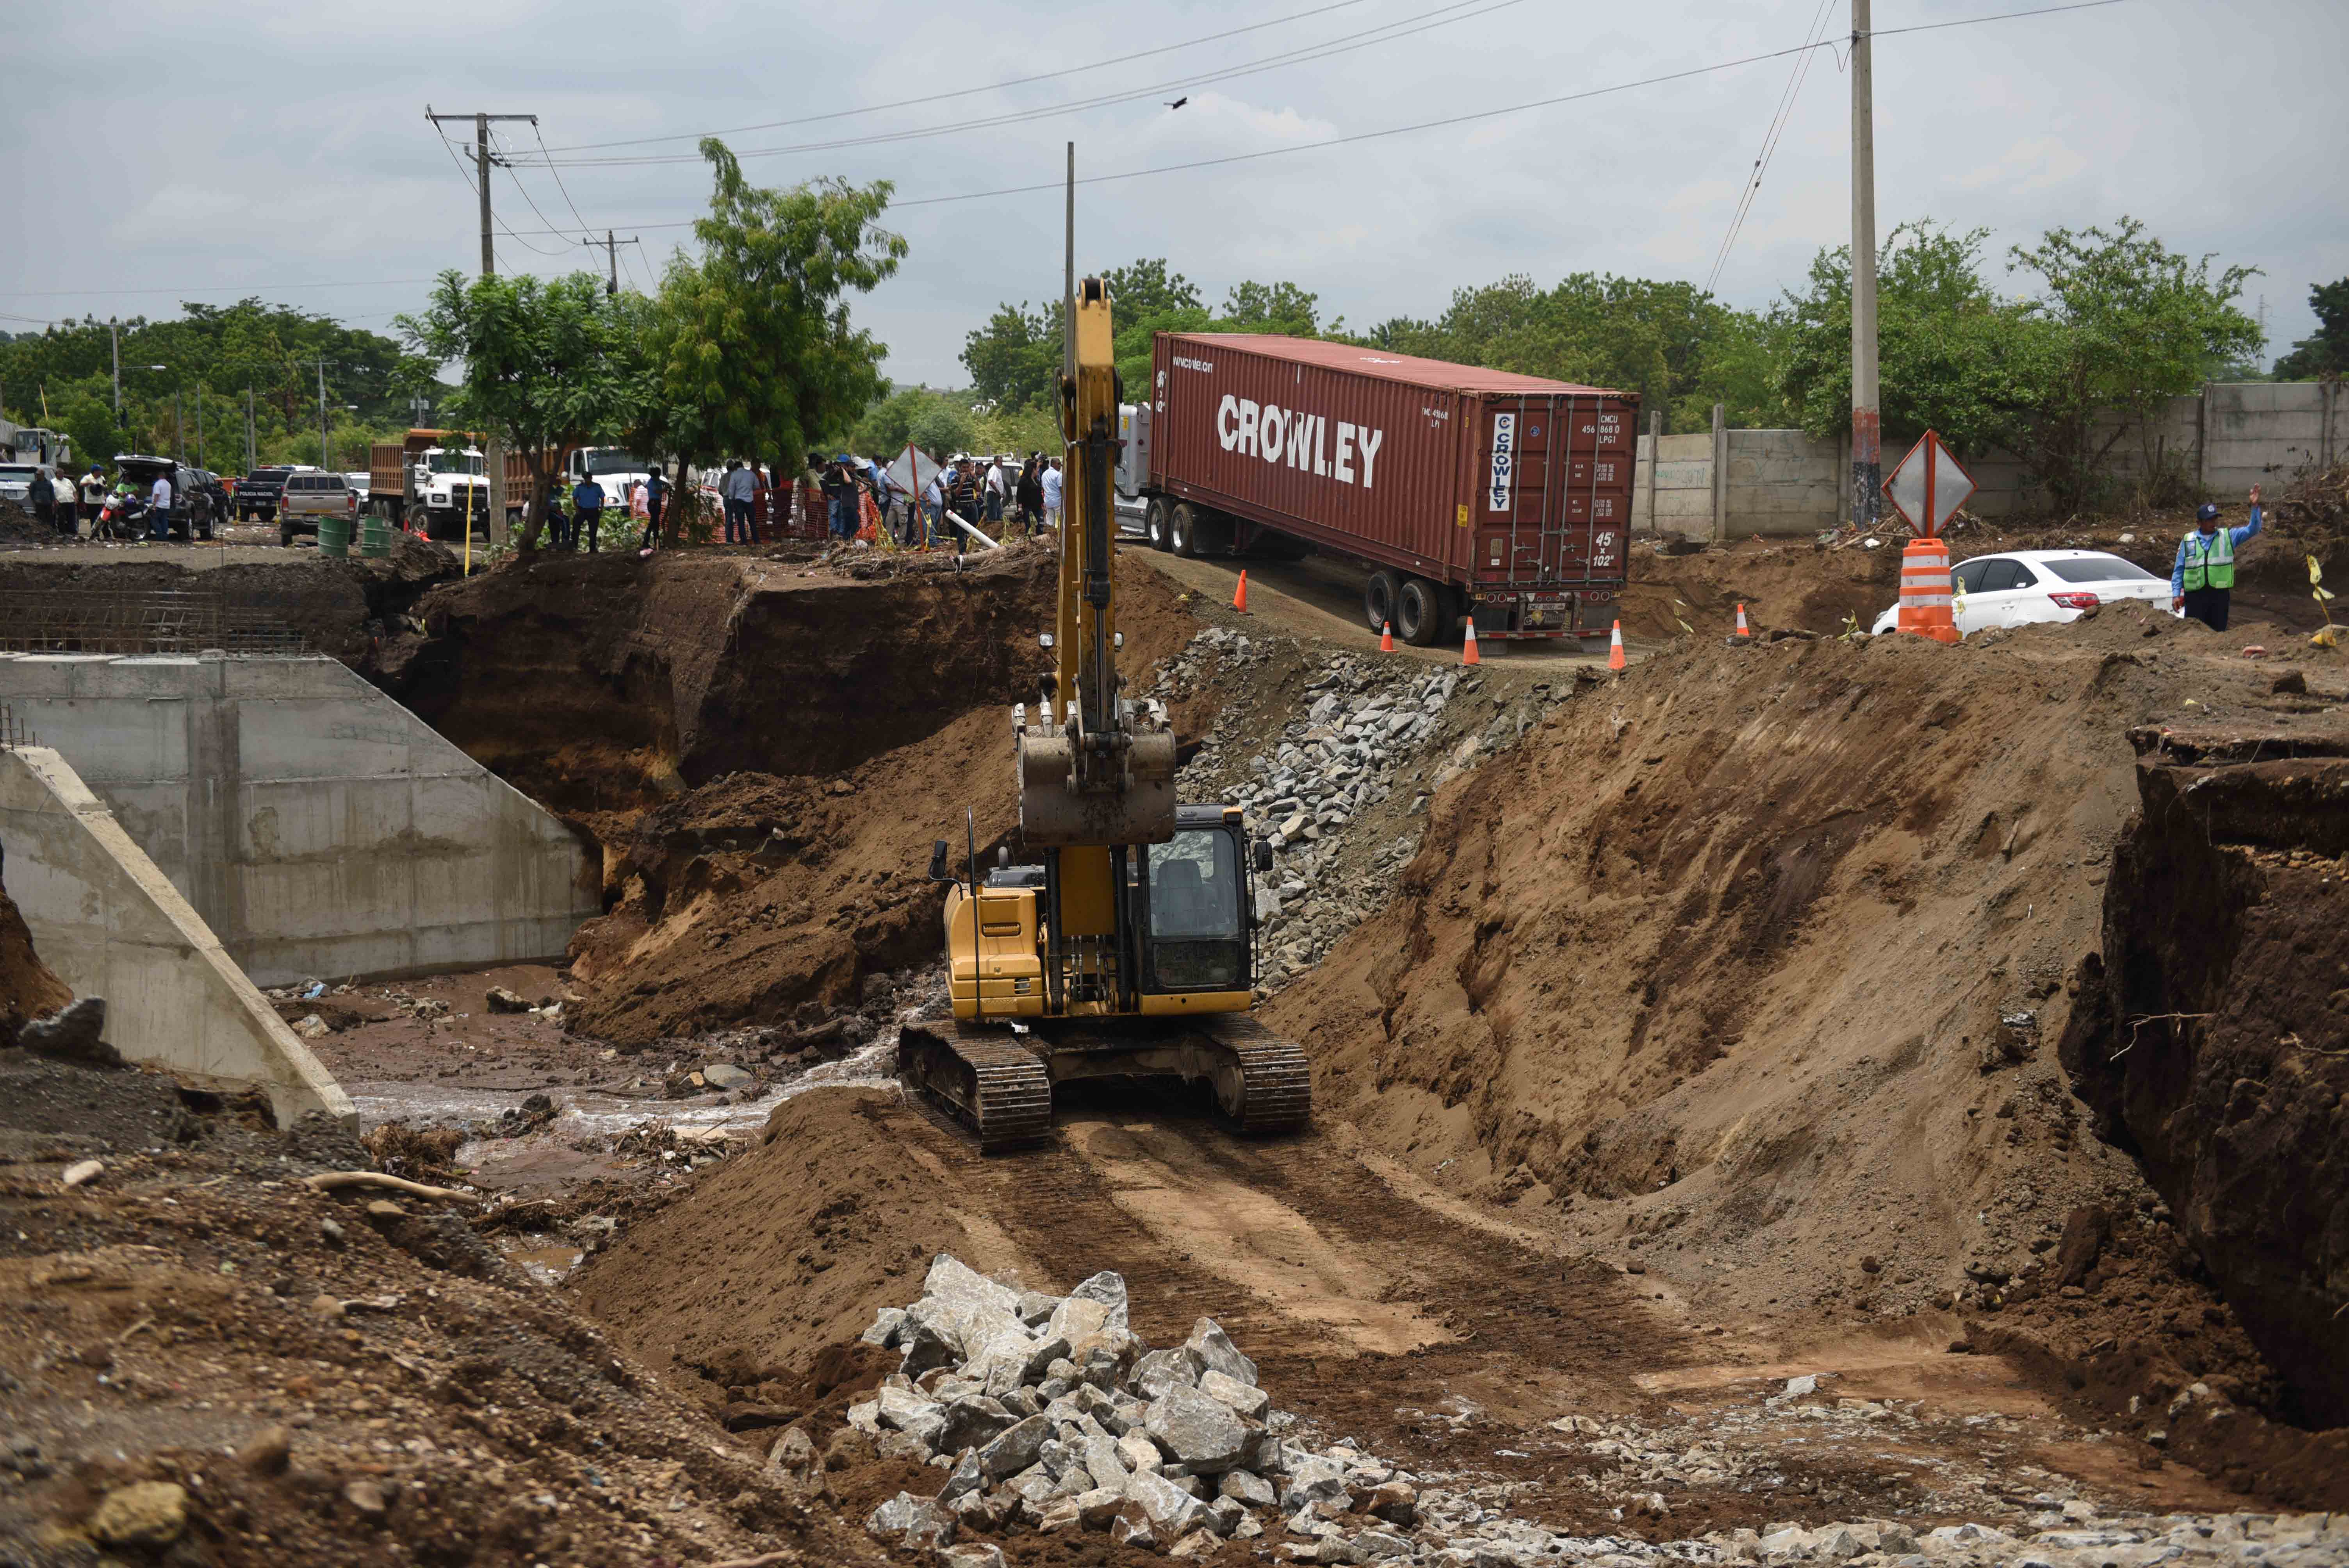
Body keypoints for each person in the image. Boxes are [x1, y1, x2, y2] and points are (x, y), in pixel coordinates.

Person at [2170, 485, 2262, 632]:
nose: (2213, 522)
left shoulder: (2228, 536)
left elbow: (2253, 529)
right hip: (2195, 597)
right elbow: (2179, 569)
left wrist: (2255, 506)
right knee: (2194, 633)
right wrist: (2176, 595)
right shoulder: (2188, 540)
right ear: (2199, 523)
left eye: (2215, 518)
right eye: (2209, 520)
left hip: (2219, 596)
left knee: (2218, 633)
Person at [723, 459, 756, 545]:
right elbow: (757, 486)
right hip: (750, 500)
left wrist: (731, 498)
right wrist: (750, 490)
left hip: (738, 501)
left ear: (736, 468)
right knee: (752, 521)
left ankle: (744, 541)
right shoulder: (751, 474)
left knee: (741, 522)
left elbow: (731, 489)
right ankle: (756, 540)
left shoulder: (734, 475)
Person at [572, 471, 606, 554]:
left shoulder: (597, 487)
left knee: (593, 530)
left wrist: (601, 509)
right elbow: (574, 498)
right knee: (576, 528)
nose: (587, 480)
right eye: (586, 479)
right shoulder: (580, 487)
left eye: (588, 478)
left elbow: (602, 498)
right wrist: (577, 509)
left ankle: (593, 549)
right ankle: (574, 547)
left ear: (591, 478)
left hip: (594, 510)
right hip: (582, 510)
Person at [639, 466, 668, 552]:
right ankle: (645, 543)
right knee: (653, 524)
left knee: (656, 524)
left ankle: (656, 543)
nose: (659, 477)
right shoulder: (651, 483)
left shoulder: (657, 481)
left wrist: (666, 485)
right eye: (658, 475)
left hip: (657, 503)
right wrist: (666, 489)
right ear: (655, 475)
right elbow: (658, 492)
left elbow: (664, 483)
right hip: (653, 503)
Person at [27, 468, 57, 537]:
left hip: (48, 503)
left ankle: (50, 533)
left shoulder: (49, 483)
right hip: (39, 504)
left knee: (49, 519)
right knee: (41, 519)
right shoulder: (34, 483)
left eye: (39, 474)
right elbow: (31, 493)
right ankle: (42, 533)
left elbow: (52, 494)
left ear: (43, 475)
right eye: (37, 474)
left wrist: (53, 503)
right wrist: (35, 501)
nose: (37, 476)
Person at [147, 467, 173, 542]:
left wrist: (154, 505)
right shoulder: (168, 484)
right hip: (167, 506)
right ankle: (165, 536)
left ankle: (159, 535)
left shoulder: (158, 484)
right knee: (164, 520)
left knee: (154, 520)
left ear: (159, 476)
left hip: (159, 505)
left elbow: (157, 495)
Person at [1041, 456, 1063, 531]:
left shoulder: (1044, 474)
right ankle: (1058, 537)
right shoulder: (1058, 475)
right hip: (1058, 502)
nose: (1060, 466)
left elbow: (1043, 489)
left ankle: (1050, 536)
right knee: (1059, 522)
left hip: (1048, 502)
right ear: (1053, 464)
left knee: (1050, 523)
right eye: (1059, 464)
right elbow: (1061, 489)